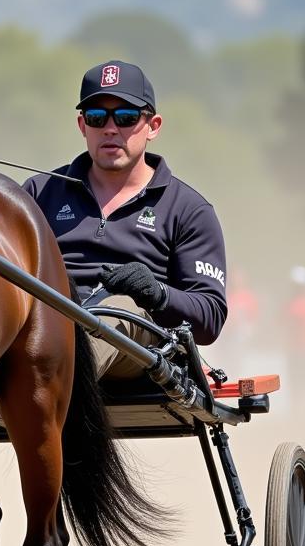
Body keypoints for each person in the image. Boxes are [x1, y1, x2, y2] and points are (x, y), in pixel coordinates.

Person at [22, 60, 227, 380]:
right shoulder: (39, 192)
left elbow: (210, 317)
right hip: (46, 324)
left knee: (120, 307)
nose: (110, 128)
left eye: (127, 117)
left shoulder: (189, 210)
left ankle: (61, 381)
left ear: (153, 126)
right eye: (96, 117)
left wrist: (158, 293)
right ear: (82, 126)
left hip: (138, 345)